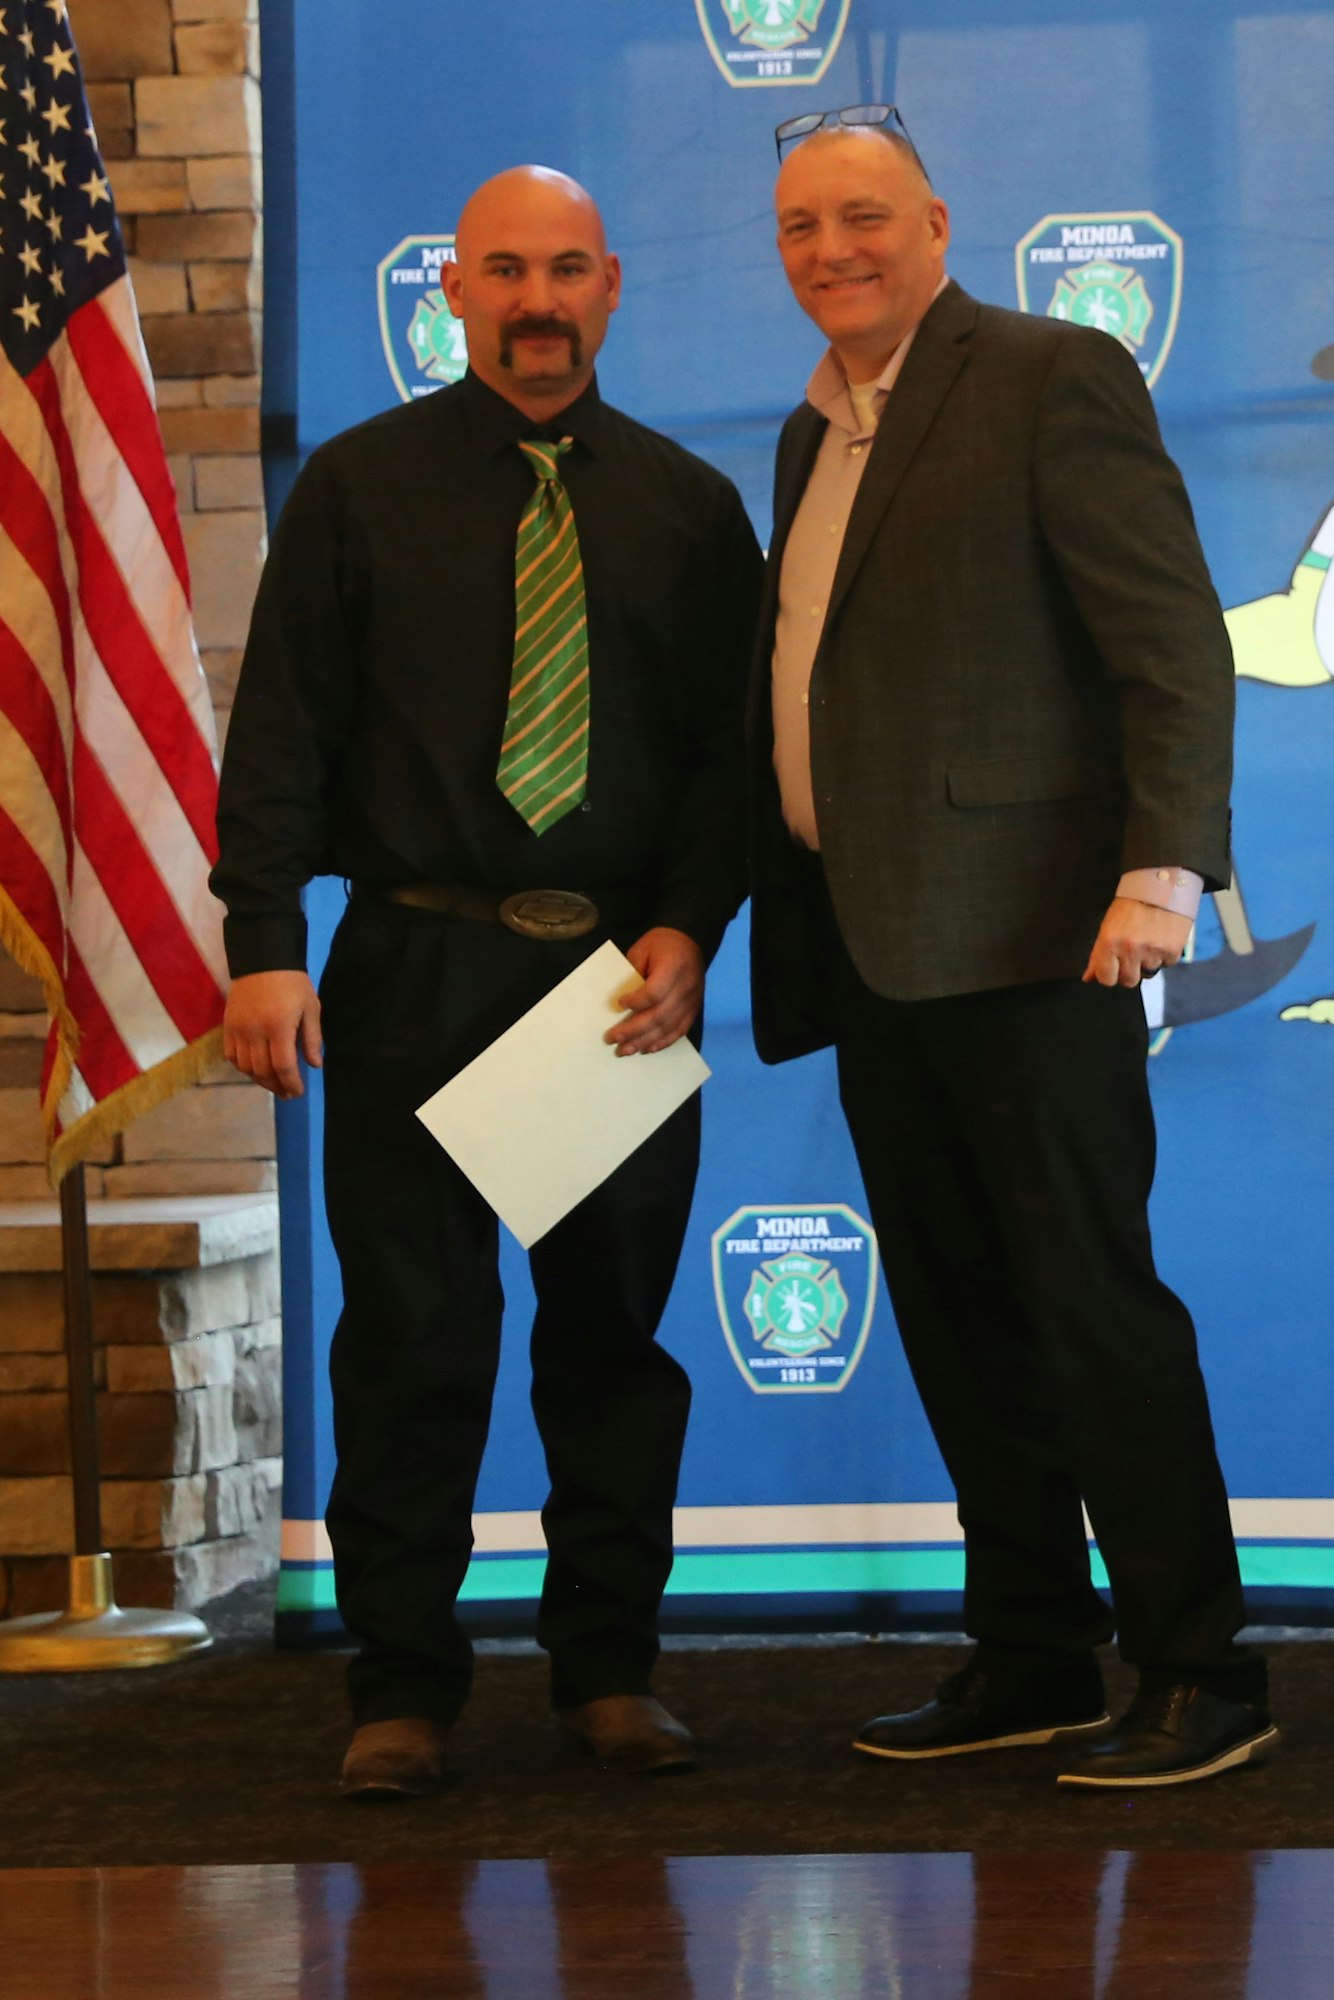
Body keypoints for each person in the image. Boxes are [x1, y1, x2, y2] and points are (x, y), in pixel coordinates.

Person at [213, 166, 763, 1798]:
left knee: (610, 1346)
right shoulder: (358, 489)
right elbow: (282, 740)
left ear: (611, 290)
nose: (538, 300)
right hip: (413, 966)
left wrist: (690, 928)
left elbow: (725, 769)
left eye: (569, 270)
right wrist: (262, 949)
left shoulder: (686, 505)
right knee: (410, 1345)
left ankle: (607, 1674)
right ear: (450, 289)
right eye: (505, 270)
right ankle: (404, 1691)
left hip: (610, 986)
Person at [749, 111, 1276, 1788]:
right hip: (875, 951)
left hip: (1047, 943)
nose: (831, 248)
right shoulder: (805, 432)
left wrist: (1162, 871)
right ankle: (1033, 1649)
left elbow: (1172, 647)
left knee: (1086, 1308)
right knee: (962, 1319)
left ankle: (1200, 1666)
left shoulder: (1050, 374)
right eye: (798, 226)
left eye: (862, 217)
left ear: (935, 222)